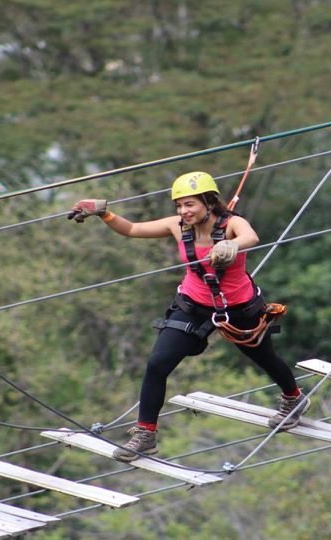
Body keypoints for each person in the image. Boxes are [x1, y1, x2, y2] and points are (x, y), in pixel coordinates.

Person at [70, 171, 309, 462]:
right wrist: (105, 213)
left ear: (209, 203)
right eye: (179, 205)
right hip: (193, 306)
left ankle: (294, 398)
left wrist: (232, 244)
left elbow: (251, 236)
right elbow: (132, 229)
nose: (184, 211)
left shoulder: (232, 223)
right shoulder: (176, 225)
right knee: (158, 364)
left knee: (264, 358)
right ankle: (145, 434)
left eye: (190, 205)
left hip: (238, 307)